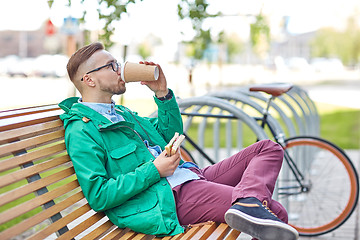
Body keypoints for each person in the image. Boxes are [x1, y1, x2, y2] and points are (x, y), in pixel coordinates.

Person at [59, 42, 299, 240]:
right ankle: (248, 204)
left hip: (189, 177)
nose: (120, 70)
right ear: (89, 80)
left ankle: (247, 203)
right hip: (167, 197)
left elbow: (167, 134)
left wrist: (162, 93)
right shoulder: (82, 130)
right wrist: (154, 170)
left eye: (118, 64)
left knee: (267, 148)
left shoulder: (121, 113)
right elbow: (99, 195)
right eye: (111, 66)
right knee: (274, 212)